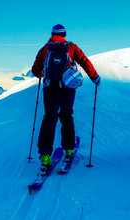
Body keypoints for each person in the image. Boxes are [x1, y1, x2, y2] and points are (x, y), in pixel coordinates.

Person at [31, 24, 100, 168]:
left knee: (49, 119)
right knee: (66, 116)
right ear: (64, 34)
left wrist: (44, 74)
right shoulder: (71, 47)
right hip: (68, 89)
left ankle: (45, 156)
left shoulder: (45, 49)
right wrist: (95, 77)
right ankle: (69, 150)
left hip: (50, 89)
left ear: (51, 34)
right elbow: (84, 62)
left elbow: (36, 71)